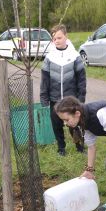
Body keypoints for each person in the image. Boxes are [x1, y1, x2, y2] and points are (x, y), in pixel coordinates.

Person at [40, 24, 87, 156]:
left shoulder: (75, 56)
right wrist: (44, 99)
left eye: (59, 37)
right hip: (54, 99)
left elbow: (81, 80)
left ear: (66, 37)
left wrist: (81, 99)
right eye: (54, 39)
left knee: (75, 124)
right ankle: (61, 148)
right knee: (56, 125)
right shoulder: (49, 57)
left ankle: (79, 146)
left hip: (71, 99)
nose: (57, 41)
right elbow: (44, 81)